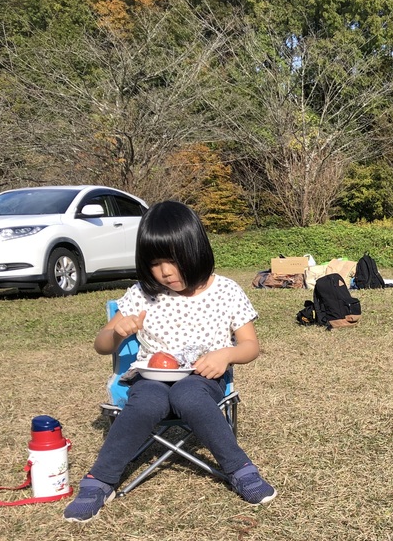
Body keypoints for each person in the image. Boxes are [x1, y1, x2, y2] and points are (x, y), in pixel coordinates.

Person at [64, 201, 276, 522]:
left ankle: (239, 468)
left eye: (173, 261)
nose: (165, 272)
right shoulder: (143, 294)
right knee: (147, 400)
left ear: (196, 250)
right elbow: (101, 345)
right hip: (150, 379)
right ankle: (100, 479)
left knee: (187, 393)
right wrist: (116, 332)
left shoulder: (226, 291)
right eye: (155, 263)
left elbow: (250, 346)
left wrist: (227, 354)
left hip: (203, 379)